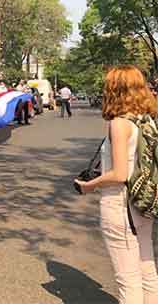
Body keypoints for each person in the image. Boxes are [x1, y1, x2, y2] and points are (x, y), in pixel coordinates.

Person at [75, 65, 158, 304]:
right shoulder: (147, 120)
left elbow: (120, 174)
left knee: (127, 279)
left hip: (120, 205)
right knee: (147, 270)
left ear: (115, 90)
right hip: (143, 202)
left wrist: (88, 186)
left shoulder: (119, 123)